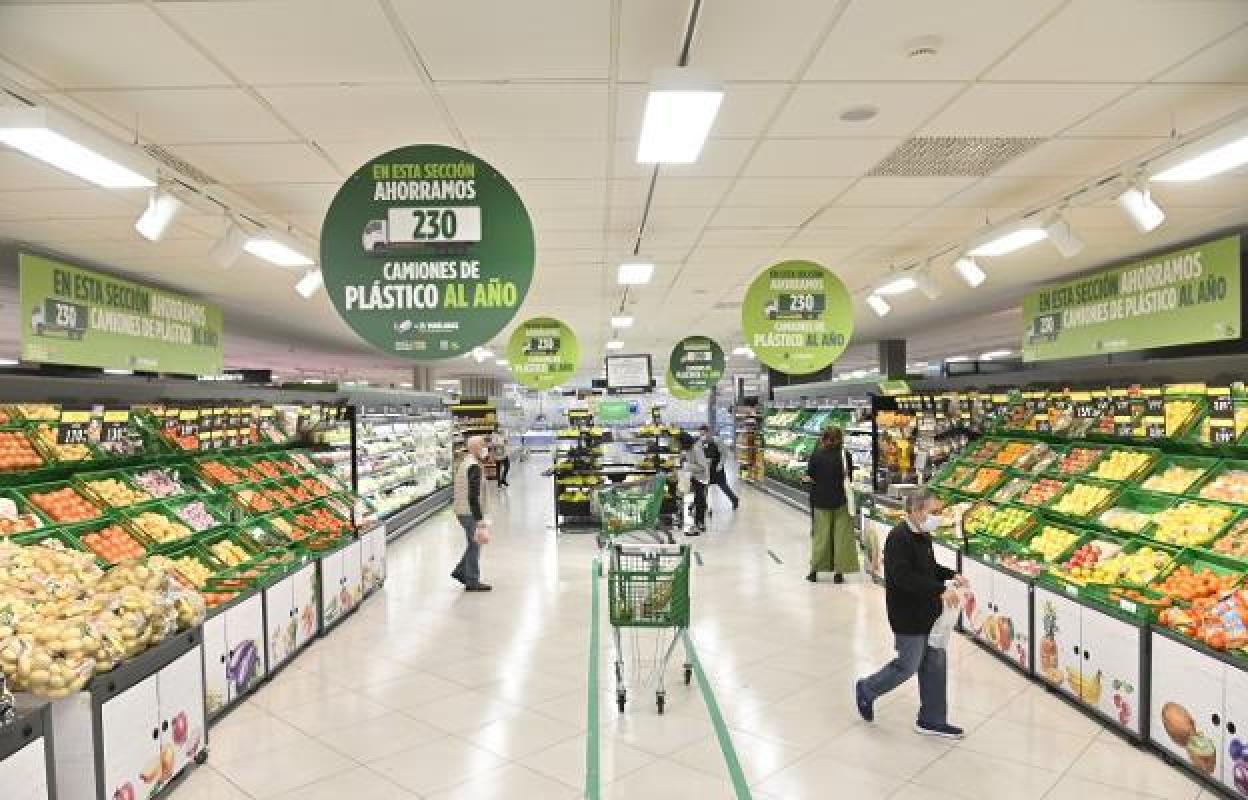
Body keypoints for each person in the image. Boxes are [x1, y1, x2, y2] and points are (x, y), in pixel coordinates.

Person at [855, 489, 968, 738]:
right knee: (908, 665)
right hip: (908, 615)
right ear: (916, 511)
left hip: (930, 613)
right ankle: (867, 688)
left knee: (935, 663)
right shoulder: (898, 538)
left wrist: (951, 575)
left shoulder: (923, 535)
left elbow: (929, 568)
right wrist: (939, 589)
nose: (938, 516)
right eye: (934, 511)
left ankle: (932, 719)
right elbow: (903, 578)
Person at [802, 426, 859, 583]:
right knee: (841, 538)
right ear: (840, 439)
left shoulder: (816, 455)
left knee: (821, 538)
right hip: (841, 501)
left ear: (824, 438)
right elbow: (849, 478)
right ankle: (838, 574)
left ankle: (814, 572)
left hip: (820, 501)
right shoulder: (845, 456)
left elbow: (810, 476)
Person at [451, 436, 492, 591]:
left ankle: (461, 571)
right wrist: (479, 519)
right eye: (483, 445)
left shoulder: (467, 462)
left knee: (473, 544)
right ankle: (472, 581)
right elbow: (473, 496)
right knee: (476, 545)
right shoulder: (473, 466)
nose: (485, 448)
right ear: (475, 448)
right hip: (469, 512)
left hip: (462, 510)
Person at [699, 425, 739, 511]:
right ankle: (703, 504)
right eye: (701, 434)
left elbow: (724, 453)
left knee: (723, 485)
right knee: (704, 486)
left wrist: (720, 465)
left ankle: (734, 499)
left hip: (716, 467)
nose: (703, 436)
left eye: (704, 434)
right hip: (706, 467)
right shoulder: (701, 442)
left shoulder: (717, 440)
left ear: (708, 432)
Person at [684, 431, 710, 535]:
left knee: (700, 501)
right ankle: (698, 523)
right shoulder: (689, 450)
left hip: (701, 478)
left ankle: (700, 523)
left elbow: (703, 467)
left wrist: (687, 466)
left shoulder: (696, 450)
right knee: (698, 500)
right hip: (695, 477)